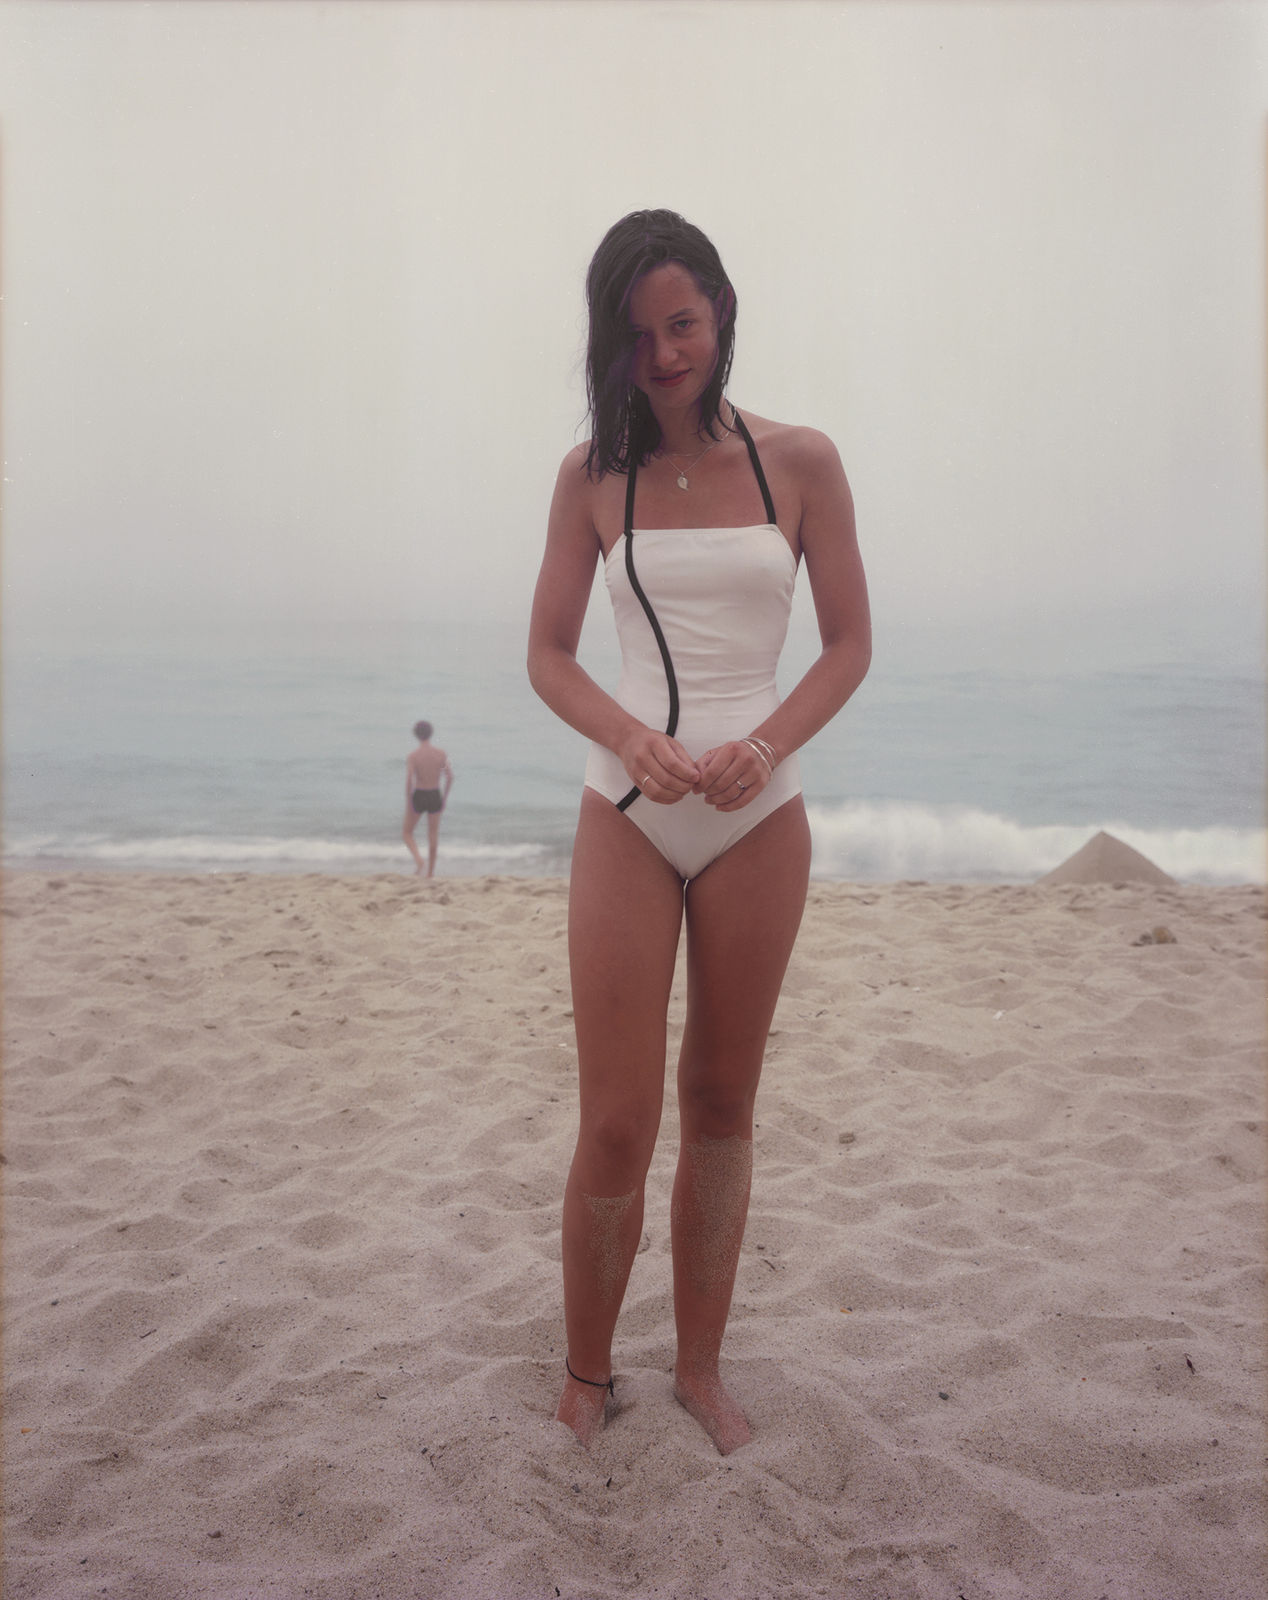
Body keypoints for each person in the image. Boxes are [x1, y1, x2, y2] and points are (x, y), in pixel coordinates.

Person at [527, 210, 871, 1455]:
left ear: (720, 311)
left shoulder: (801, 464)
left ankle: (700, 1369)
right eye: (636, 335)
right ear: (608, 348)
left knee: (721, 1099)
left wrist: (767, 745)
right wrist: (627, 737)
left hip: (755, 813)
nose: (663, 354)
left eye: (681, 322)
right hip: (625, 809)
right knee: (615, 1115)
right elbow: (547, 657)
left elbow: (846, 647)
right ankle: (582, 1371)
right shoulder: (588, 480)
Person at [402, 720, 453, 877]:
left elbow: (410, 780)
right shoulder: (440, 754)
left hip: (420, 794)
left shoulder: (413, 756)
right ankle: (430, 872)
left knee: (407, 832)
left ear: (416, 735)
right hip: (434, 795)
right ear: (430, 733)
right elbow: (449, 776)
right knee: (433, 834)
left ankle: (419, 861)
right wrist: (444, 798)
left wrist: (409, 800)